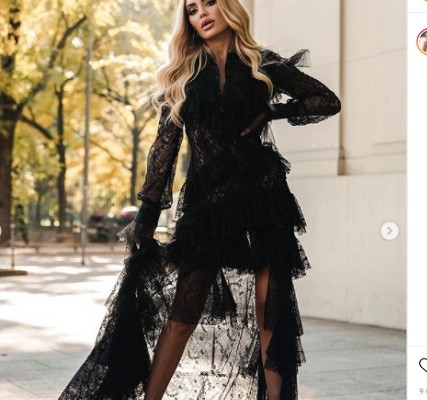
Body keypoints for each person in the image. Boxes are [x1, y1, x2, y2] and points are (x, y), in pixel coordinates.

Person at [58, 0, 340, 399]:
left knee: (270, 314)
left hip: (263, 196)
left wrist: (270, 113)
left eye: (209, 3)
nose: (202, 14)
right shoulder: (183, 74)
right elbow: (165, 147)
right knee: (182, 315)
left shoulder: (262, 63)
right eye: (192, 9)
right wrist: (147, 212)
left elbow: (326, 101)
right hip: (209, 203)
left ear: (228, 8)